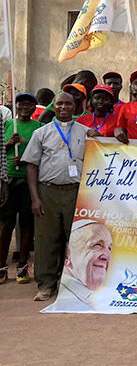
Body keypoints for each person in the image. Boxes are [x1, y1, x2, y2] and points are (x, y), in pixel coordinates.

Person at [21, 92, 89, 301]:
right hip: (47, 191)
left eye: (68, 104)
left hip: (75, 191)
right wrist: (35, 198)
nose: (63, 107)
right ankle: (46, 284)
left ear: (75, 106)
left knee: (77, 240)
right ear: (54, 106)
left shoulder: (86, 132)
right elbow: (31, 166)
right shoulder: (42, 133)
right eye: (59, 104)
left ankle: (77, 285)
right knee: (46, 239)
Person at [0, 93, 42, 284]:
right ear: (16, 107)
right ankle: (1, 266)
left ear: (34, 107)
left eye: (29, 104)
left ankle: (23, 266)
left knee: (27, 225)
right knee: (5, 225)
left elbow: (42, 154)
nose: (25, 107)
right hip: (8, 180)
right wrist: (9, 145)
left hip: (28, 182)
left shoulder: (38, 128)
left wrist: (24, 160)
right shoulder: (8, 126)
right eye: (21, 104)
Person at [53, 220, 112, 311]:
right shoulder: (67, 303)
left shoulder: (82, 297)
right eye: (97, 245)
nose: (107, 257)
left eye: (109, 248)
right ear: (67, 256)